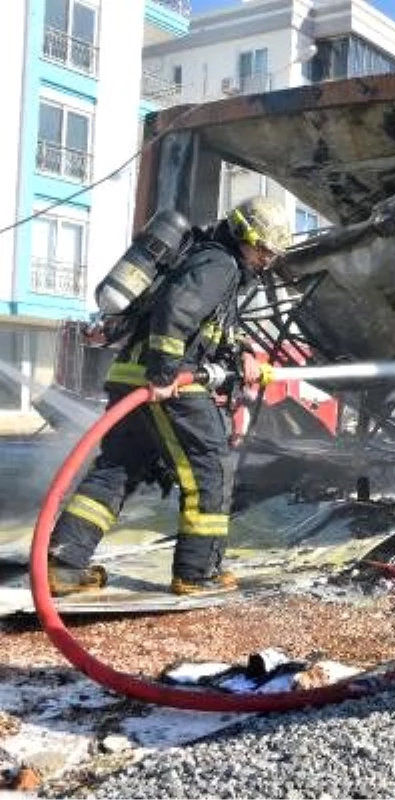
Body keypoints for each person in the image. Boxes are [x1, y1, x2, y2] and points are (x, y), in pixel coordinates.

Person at [46, 196, 290, 596]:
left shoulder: (207, 261)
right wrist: (163, 373)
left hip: (131, 375)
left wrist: (242, 351)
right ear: (246, 236)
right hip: (167, 384)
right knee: (208, 467)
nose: (266, 260)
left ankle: (64, 566)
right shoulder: (219, 264)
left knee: (117, 470)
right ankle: (196, 574)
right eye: (264, 250)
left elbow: (206, 325)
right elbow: (176, 311)